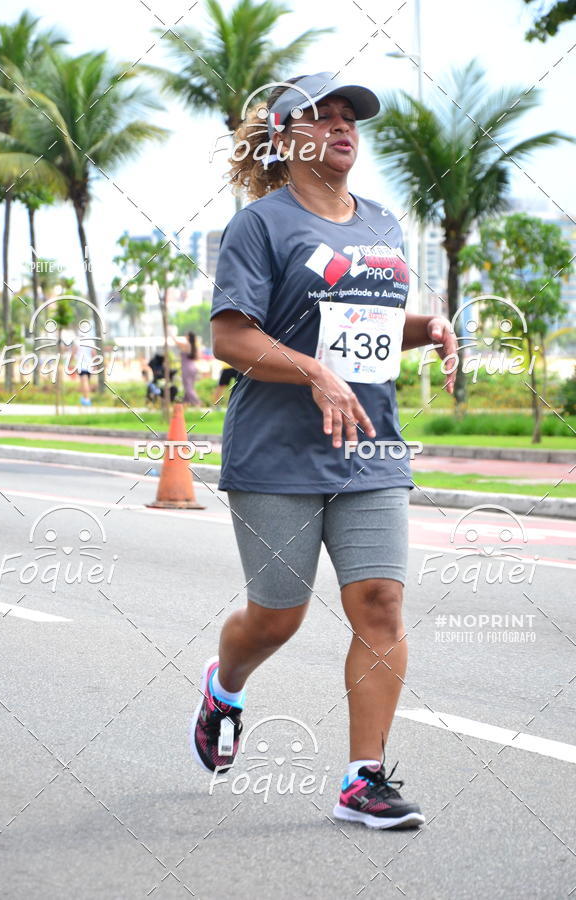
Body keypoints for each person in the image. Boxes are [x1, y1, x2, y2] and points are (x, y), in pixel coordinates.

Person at [190, 72, 457, 829]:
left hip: (370, 448)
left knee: (382, 603)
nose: (342, 126)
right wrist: (312, 372)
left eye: (349, 117)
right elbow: (231, 336)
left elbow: (365, 319)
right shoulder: (261, 225)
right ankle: (226, 686)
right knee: (278, 618)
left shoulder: (381, 223)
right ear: (284, 137)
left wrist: (425, 328)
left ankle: (362, 780)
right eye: (321, 116)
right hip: (277, 453)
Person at [173, 331, 201, 405]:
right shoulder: (194, 346)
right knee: (190, 386)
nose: (185, 336)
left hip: (187, 368)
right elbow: (198, 358)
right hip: (193, 367)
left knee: (188, 387)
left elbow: (176, 342)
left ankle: (197, 402)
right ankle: (186, 403)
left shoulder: (187, 344)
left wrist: (172, 335)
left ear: (189, 337)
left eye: (186, 335)